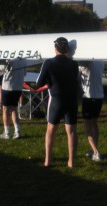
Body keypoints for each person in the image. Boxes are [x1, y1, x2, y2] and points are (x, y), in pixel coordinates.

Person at [35, 37, 80, 168]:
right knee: (71, 131)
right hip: (71, 100)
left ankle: (47, 161)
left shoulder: (49, 62)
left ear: (55, 49)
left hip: (57, 100)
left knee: (51, 130)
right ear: (68, 50)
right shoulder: (74, 64)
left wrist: (49, 82)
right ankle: (71, 162)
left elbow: (39, 84)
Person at [79, 60, 105, 162]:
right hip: (99, 97)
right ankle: (94, 149)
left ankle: (96, 152)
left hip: (88, 97)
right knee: (94, 123)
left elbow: (77, 76)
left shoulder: (84, 63)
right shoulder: (101, 62)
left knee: (87, 125)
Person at [0, 57, 27, 139]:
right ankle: (17, 131)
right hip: (18, 87)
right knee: (14, 108)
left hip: (7, 87)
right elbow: (25, 73)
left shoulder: (7, 57)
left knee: (5, 109)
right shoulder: (23, 59)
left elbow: (0, 70)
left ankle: (7, 132)